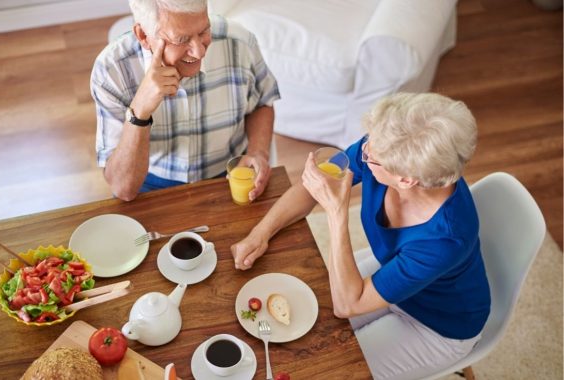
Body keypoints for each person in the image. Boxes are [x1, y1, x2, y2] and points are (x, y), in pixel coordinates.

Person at [231, 92, 491, 380]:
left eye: (371, 155)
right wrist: (261, 233)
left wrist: (336, 213)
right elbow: (313, 187)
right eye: (368, 141)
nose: (363, 152)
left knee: (331, 368)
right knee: (299, 321)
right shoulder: (382, 151)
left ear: (406, 179)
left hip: (436, 325)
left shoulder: (446, 239)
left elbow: (347, 306)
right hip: (388, 277)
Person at [91, 0, 280, 201]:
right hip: (149, 185)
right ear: (144, 36)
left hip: (227, 177)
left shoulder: (240, 42)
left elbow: (262, 102)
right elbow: (123, 189)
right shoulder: (111, 70)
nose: (199, 51)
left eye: (204, 31)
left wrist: (258, 153)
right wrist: (139, 111)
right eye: (181, 39)